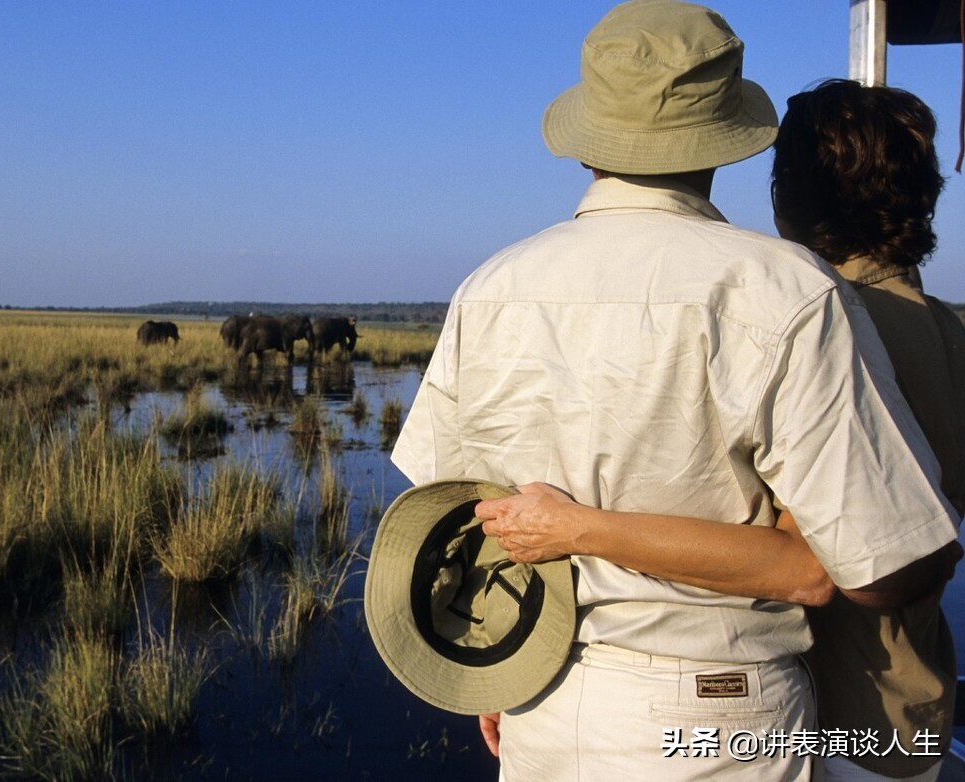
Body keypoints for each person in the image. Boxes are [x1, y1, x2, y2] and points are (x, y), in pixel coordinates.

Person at [390, 2, 962, 780]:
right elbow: (875, 567)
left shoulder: (488, 288)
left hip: (537, 698)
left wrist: (489, 667)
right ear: (723, 140)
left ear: (588, 136)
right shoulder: (784, 290)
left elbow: (453, 513)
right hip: (718, 716)